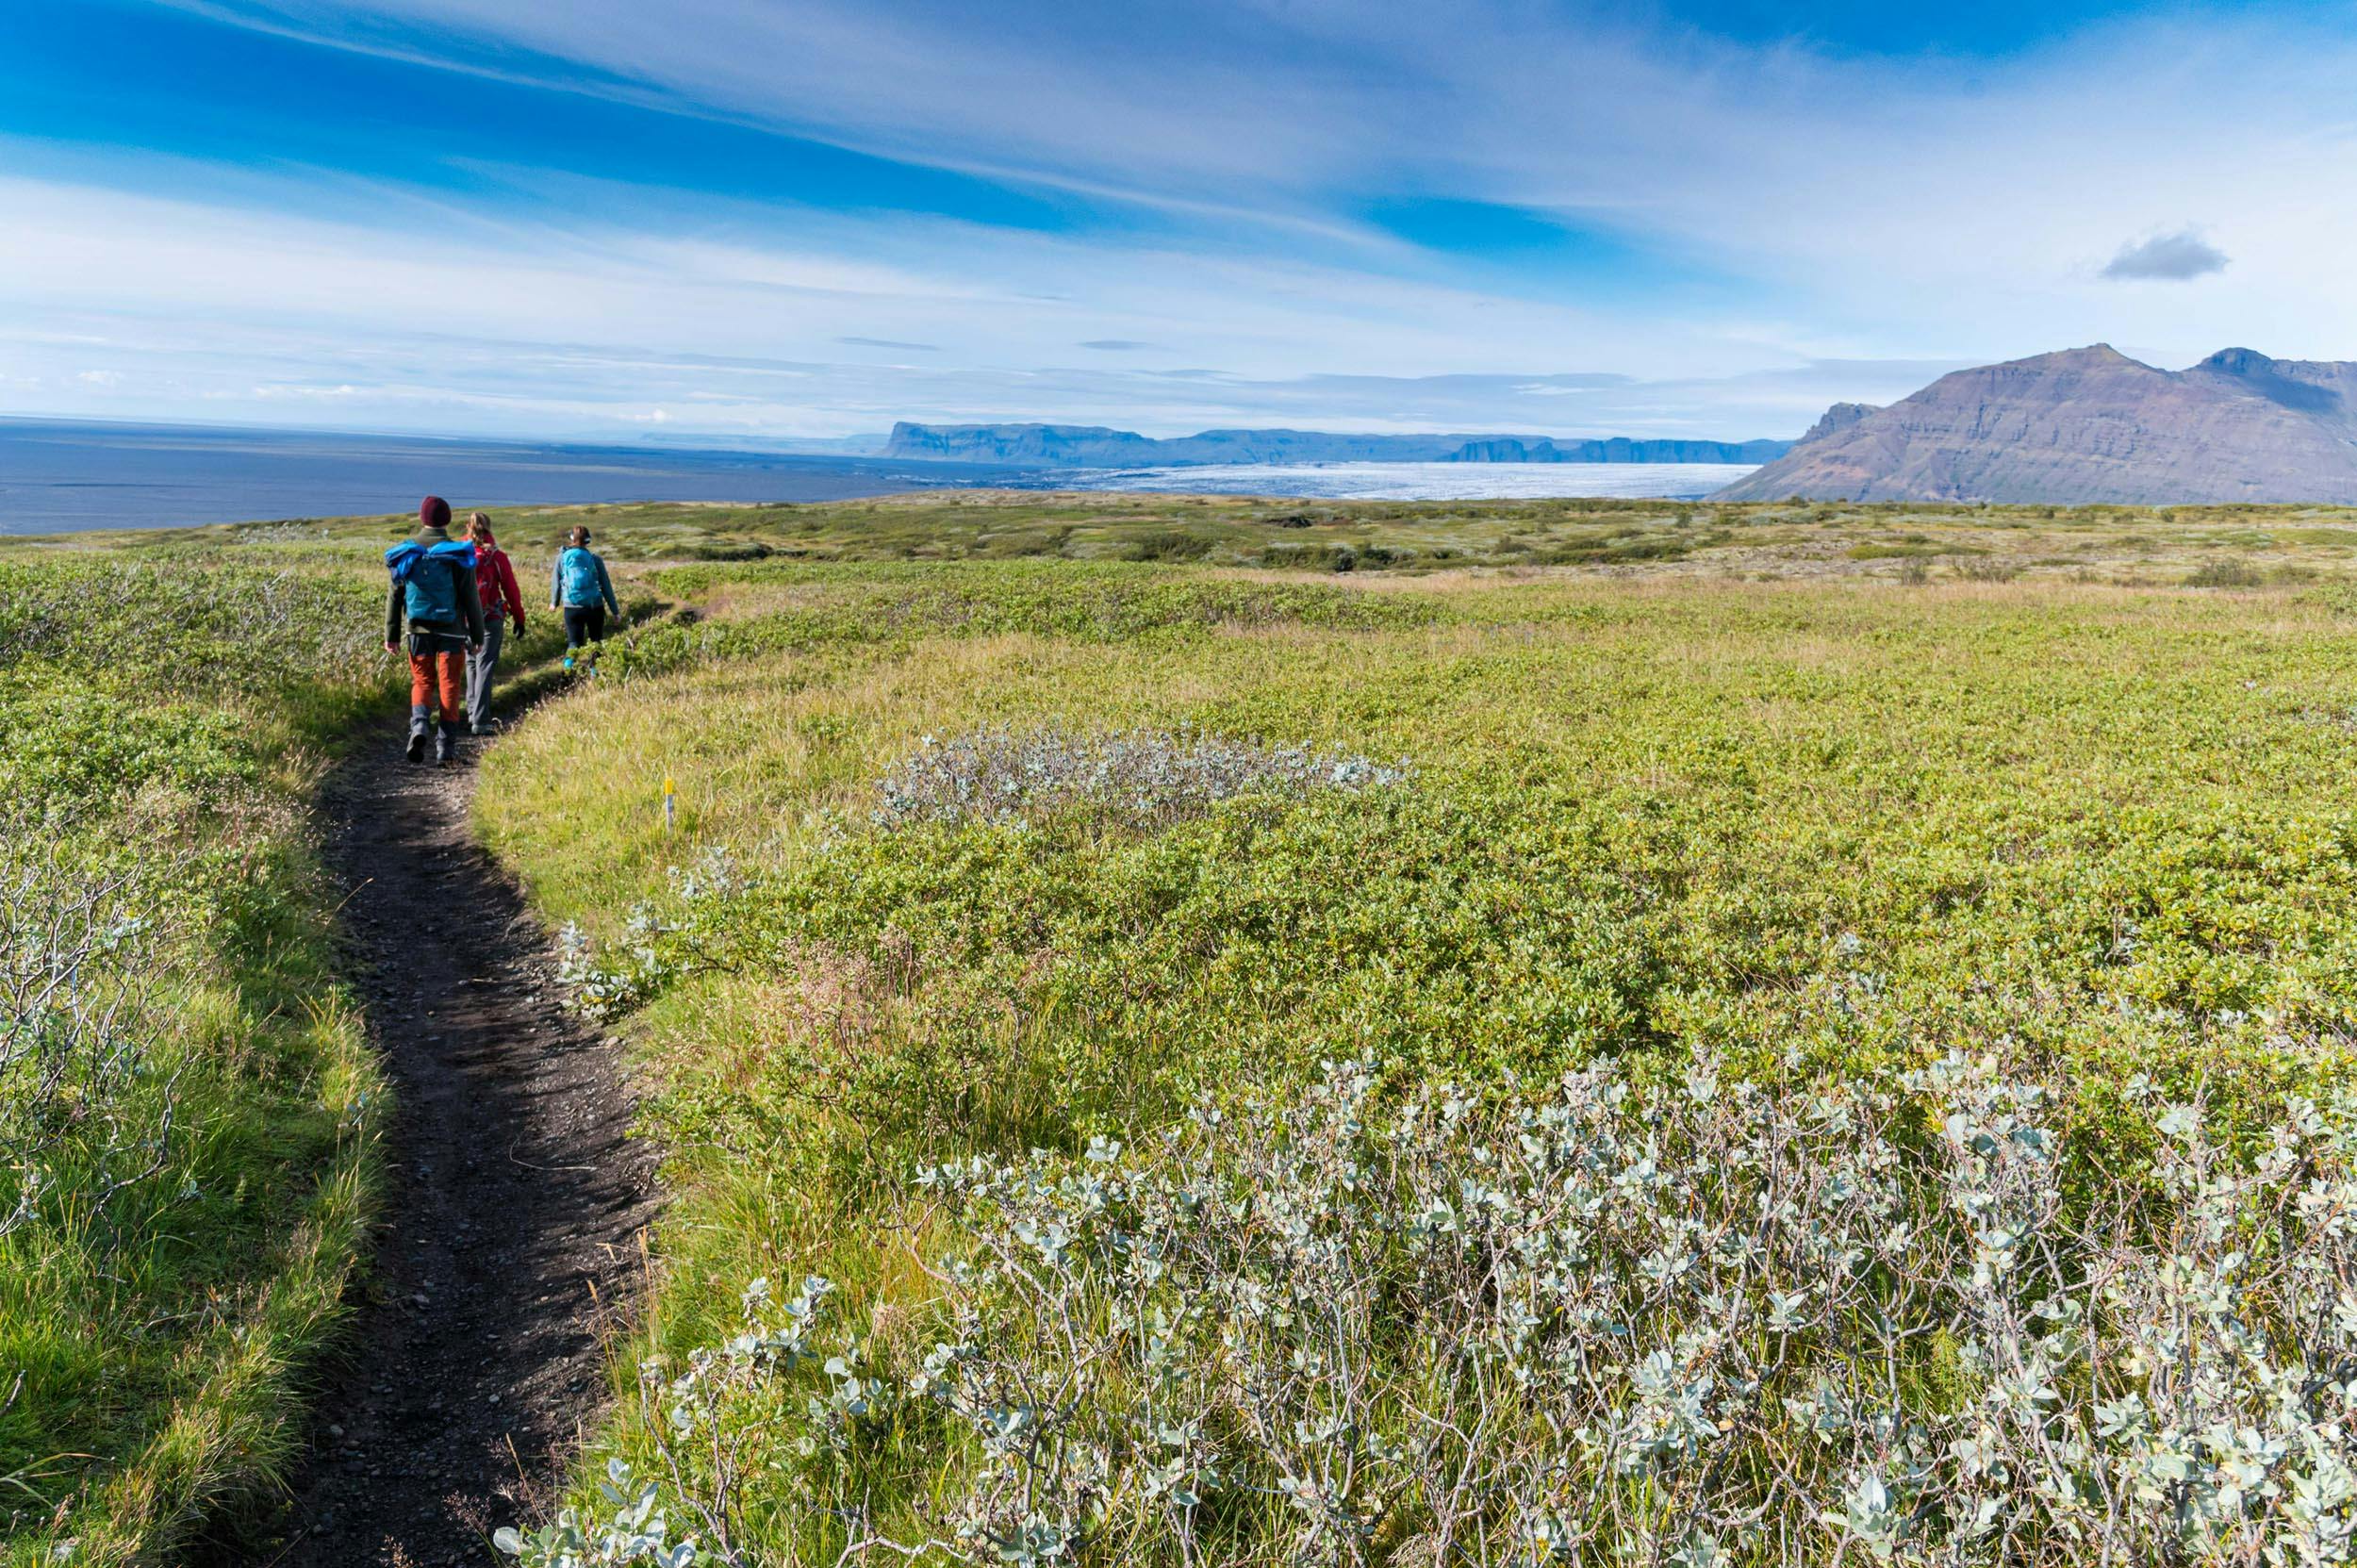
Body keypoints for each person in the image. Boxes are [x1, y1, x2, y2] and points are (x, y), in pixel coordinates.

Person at [385, 496, 485, 764]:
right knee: (449, 685)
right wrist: (477, 634)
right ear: (447, 521)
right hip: (451, 632)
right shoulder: (457, 552)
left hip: (417, 631)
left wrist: (391, 636)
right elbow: (470, 598)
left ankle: (419, 727)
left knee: (422, 682)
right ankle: (445, 750)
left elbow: (395, 596)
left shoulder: (407, 552)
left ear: (422, 519)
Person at [464, 512, 526, 734]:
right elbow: (511, 590)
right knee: (485, 665)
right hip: (490, 617)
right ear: (489, 528)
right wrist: (520, 618)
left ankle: (472, 713)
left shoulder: (460, 553)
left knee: (471, 663)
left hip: (464, 618)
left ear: (467, 527)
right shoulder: (497, 557)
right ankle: (480, 720)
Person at [552, 523, 618, 670]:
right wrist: (615, 611)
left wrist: (554, 603)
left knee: (574, 643)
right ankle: (594, 673)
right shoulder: (595, 559)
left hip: (571, 607)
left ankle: (567, 672)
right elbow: (606, 587)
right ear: (588, 541)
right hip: (594, 606)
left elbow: (556, 583)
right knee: (596, 642)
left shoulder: (562, 558)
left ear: (571, 539)